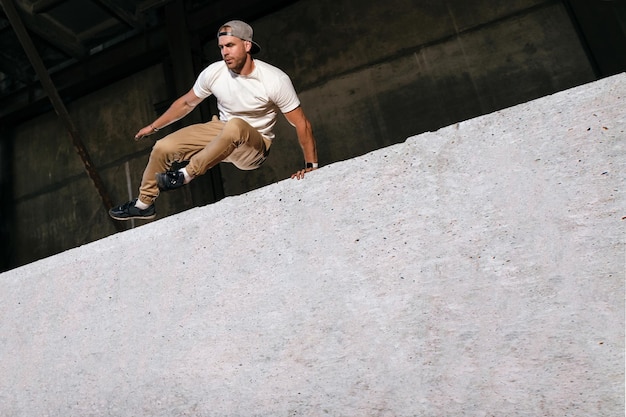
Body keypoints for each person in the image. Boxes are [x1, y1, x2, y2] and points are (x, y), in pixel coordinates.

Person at [109, 20, 318, 221]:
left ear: (246, 45)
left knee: (235, 125)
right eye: (221, 47)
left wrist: (311, 167)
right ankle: (144, 205)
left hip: (254, 146)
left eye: (230, 46)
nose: (224, 52)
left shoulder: (274, 80)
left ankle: (185, 175)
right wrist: (154, 126)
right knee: (163, 147)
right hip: (222, 131)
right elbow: (186, 104)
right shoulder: (214, 72)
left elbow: (301, 124)